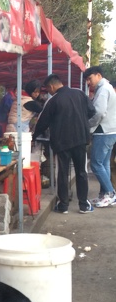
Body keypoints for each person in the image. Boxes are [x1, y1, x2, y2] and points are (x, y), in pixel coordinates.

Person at [33, 73, 96, 214]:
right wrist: (81, 120)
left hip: (62, 141)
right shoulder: (80, 94)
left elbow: (42, 121)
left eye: (48, 89)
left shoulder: (53, 100)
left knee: (62, 172)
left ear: (51, 86)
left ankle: (63, 205)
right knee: (81, 172)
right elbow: (92, 111)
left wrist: (34, 136)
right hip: (80, 139)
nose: (48, 92)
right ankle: (83, 205)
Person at [84, 66, 116, 207]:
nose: (88, 83)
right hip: (110, 131)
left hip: (103, 131)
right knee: (104, 164)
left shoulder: (103, 90)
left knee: (96, 164)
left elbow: (99, 112)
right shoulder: (107, 88)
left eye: (89, 79)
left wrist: (88, 125)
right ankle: (104, 196)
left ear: (98, 75)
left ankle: (110, 193)